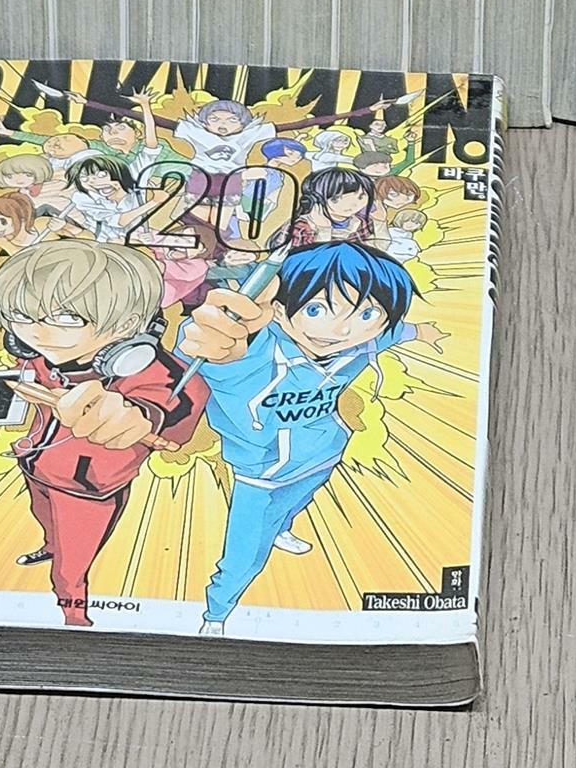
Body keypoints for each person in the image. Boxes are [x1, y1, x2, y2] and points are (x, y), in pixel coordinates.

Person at [180, 241, 441, 630]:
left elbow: (393, 331)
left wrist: (422, 332)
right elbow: (218, 352)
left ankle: (282, 528)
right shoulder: (256, 351)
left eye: (366, 314)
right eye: (317, 310)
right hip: (260, 475)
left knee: (295, 503)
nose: (341, 329)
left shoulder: (363, 342)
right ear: (279, 309)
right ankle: (216, 615)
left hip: (323, 455)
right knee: (245, 557)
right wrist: (211, 342)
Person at [0, 239, 208, 628]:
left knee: (71, 568)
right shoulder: (38, 356)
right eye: (22, 315)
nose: (37, 333)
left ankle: (74, 617)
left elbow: (176, 401)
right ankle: (50, 546)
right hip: (36, 464)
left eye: (66, 318)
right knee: (45, 521)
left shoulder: (155, 373)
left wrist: (136, 416)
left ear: (127, 325)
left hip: (88, 489)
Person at [287, 165, 376, 248]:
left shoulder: (362, 222)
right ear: (314, 199)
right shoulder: (300, 228)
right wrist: (323, 231)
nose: (354, 204)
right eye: (336, 199)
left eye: (361, 197)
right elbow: (307, 258)